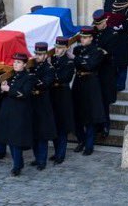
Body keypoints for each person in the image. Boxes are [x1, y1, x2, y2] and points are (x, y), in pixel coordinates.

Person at [0, 52, 36, 177]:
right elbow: (2, 94)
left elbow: (24, 94)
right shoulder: (10, 76)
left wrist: (9, 90)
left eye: (18, 62)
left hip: (20, 112)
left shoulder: (29, 77)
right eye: (14, 62)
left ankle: (17, 166)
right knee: (9, 139)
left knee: (16, 140)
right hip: (7, 111)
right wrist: (2, 89)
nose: (15, 64)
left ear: (24, 64)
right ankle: (18, 163)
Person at [72, 26, 106, 156]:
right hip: (79, 82)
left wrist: (76, 59)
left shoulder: (97, 51)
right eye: (81, 37)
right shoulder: (77, 49)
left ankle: (89, 145)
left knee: (90, 116)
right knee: (77, 114)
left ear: (91, 38)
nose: (82, 40)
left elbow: (89, 65)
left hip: (91, 83)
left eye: (85, 37)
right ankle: (81, 140)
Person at [30, 41, 57, 170]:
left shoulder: (49, 69)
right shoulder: (32, 66)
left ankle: (42, 160)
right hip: (32, 103)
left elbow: (45, 84)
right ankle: (36, 157)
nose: (38, 57)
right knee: (34, 133)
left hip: (43, 103)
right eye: (36, 54)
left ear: (46, 55)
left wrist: (32, 79)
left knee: (42, 135)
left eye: (40, 54)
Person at [92, 9, 118, 138]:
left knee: (104, 101)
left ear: (105, 21)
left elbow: (111, 55)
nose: (97, 26)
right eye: (96, 24)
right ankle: (98, 125)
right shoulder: (94, 33)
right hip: (95, 72)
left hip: (106, 72)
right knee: (96, 100)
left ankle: (105, 125)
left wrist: (101, 52)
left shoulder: (112, 34)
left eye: (99, 24)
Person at [50, 36, 75, 164]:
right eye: (56, 47)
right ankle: (56, 152)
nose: (57, 50)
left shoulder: (69, 62)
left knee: (62, 126)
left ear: (66, 48)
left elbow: (63, 77)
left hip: (63, 94)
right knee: (55, 124)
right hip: (53, 94)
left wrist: (52, 75)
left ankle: (61, 154)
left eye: (60, 48)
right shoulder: (53, 60)